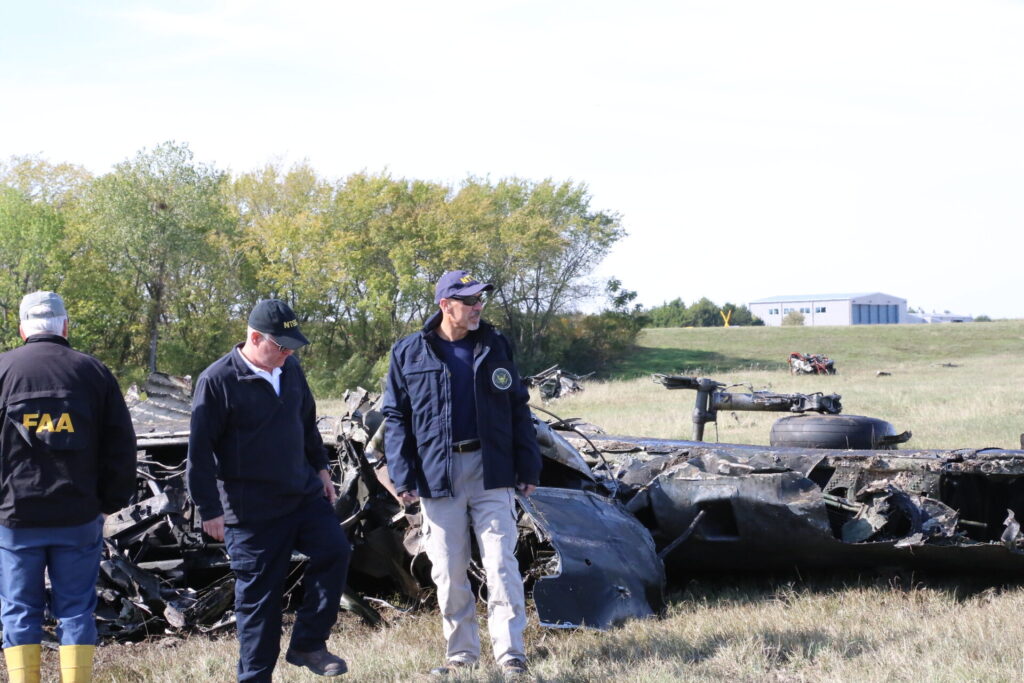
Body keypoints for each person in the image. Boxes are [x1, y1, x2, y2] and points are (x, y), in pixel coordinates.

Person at [382, 271, 542, 678]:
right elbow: (396, 417)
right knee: (449, 570)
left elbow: (518, 407)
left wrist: (528, 464)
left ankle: (511, 656)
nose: (477, 307)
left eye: (480, 299)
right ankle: (462, 655)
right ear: (444, 305)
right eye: (469, 300)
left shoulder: (496, 344)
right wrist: (402, 476)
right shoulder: (408, 352)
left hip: (493, 470)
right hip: (439, 475)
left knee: (501, 563)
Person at [186, 299, 351, 682]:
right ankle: (255, 678)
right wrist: (209, 509)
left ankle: (309, 643)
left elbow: (306, 423)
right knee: (260, 605)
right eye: (280, 345)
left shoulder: (290, 369)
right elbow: (199, 452)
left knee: (335, 550)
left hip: (303, 495)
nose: (288, 352)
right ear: (254, 337)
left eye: (292, 345)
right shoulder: (218, 380)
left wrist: (322, 469)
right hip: (251, 511)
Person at [0, 291, 137, 683]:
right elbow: (121, 447)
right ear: (64, 325)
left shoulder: (3, 370)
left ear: (23, 327)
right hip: (78, 516)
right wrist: (109, 502)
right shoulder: (93, 373)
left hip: (14, 519)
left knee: (19, 610)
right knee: (76, 610)